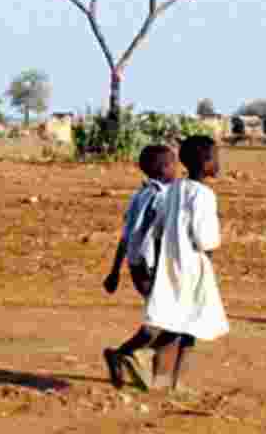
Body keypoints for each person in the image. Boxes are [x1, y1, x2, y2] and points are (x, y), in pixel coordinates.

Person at [143, 135, 228, 392]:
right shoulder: (204, 195)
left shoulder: (175, 189)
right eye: (215, 158)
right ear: (205, 163)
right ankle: (177, 382)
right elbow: (206, 239)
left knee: (173, 320)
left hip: (169, 264)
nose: (218, 164)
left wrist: (158, 263)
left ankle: (159, 379)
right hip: (193, 265)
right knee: (191, 324)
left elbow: (157, 230)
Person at [102, 145, 177, 390]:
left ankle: (141, 362)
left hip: (137, 266)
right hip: (153, 266)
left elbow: (126, 236)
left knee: (161, 319)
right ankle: (125, 354)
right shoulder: (162, 196)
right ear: (162, 169)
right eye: (172, 164)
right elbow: (159, 235)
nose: (176, 169)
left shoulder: (139, 194)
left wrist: (115, 271)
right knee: (165, 323)